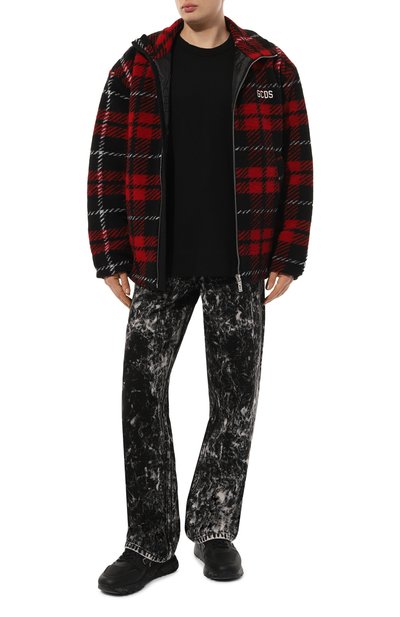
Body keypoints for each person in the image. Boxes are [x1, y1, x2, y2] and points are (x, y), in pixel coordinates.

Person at [86, 0, 313, 596]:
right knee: (141, 393)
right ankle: (149, 543)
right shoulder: (136, 65)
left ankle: (214, 528)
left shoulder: (270, 67)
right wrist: (110, 252)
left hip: (242, 263)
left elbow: (298, 163)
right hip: (157, 262)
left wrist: (288, 252)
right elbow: (105, 160)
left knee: (235, 401)